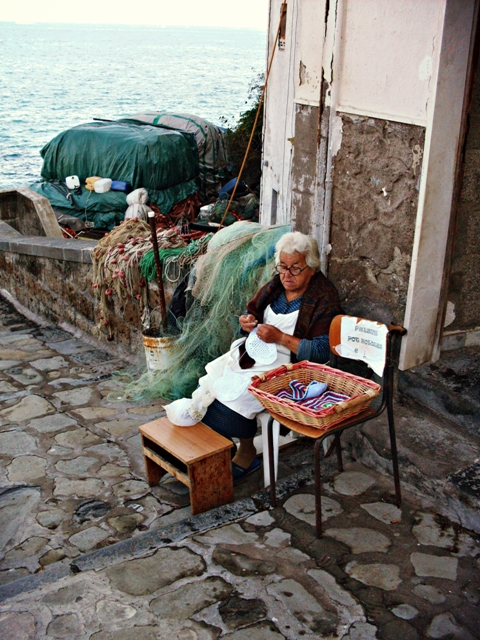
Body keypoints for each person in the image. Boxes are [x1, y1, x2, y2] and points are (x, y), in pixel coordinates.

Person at [201, 231, 342, 482]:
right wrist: (247, 322)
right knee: (214, 383)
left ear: (311, 268)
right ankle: (232, 448)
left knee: (238, 397)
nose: (286, 275)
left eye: (295, 268)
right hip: (258, 354)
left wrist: (280, 338)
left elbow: (322, 352)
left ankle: (244, 453)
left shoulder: (324, 297)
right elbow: (251, 311)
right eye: (283, 266)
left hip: (293, 368)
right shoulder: (276, 285)